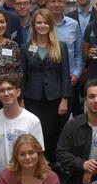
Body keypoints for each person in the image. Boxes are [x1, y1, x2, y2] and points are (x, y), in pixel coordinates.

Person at [22, 8, 71, 161]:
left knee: (52, 134)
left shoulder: (60, 47)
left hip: (54, 99)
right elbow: (22, 76)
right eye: (39, 22)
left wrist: (65, 99)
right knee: (35, 134)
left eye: (45, 23)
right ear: (34, 25)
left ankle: (51, 166)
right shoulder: (25, 48)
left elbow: (65, 74)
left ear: (50, 25)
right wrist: (21, 100)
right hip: (33, 99)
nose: (42, 26)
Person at [0, 74, 44, 177]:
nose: (6, 93)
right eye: (1, 90)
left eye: (10, 89)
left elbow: (38, 154)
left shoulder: (32, 121)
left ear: (18, 92)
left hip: (24, 179)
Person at [48, 0, 83, 97]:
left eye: (60, 1)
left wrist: (76, 74)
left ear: (65, 4)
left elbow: (78, 54)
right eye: (53, 1)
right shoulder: (40, 25)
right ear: (47, 4)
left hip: (68, 79)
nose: (56, 5)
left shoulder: (74, 25)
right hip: (47, 80)